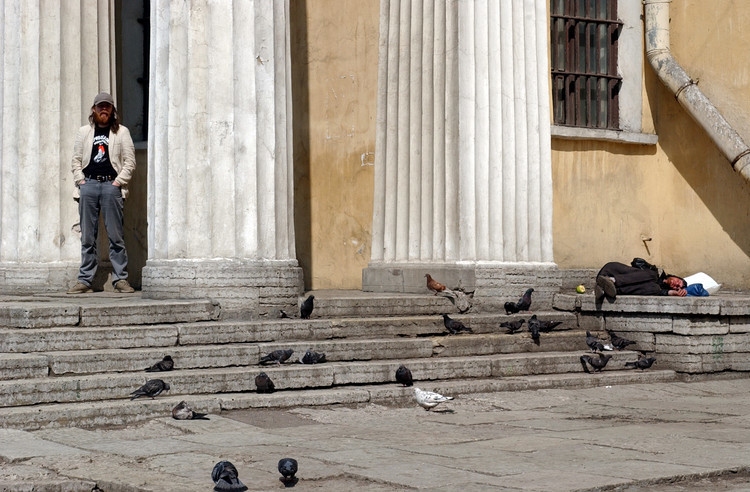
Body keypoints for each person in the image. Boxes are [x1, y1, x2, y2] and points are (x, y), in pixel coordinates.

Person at [67, 92, 136, 294]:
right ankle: (85, 280)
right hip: (88, 185)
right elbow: (76, 160)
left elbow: (130, 162)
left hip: (110, 186)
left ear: (113, 110)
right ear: (94, 110)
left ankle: (120, 279)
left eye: (107, 106)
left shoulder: (122, 132)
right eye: (100, 106)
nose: (103, 109)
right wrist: (81, 181)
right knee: (88, 236)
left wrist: (118, 182)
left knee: (116, 236)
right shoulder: (84, 132)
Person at [595, 261, 687, 302]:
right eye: (678, 281)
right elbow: (636, 262)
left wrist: (674, 293)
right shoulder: (654, 272)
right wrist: (650, 268)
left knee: (654, 288)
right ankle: (610, 281)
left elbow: (663, 292)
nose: (676, 285)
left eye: (677, 287)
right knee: (652, 276)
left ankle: (605, 288)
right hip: (613, 272)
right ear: (674, 276)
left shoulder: (657, 289)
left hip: (616, 289)